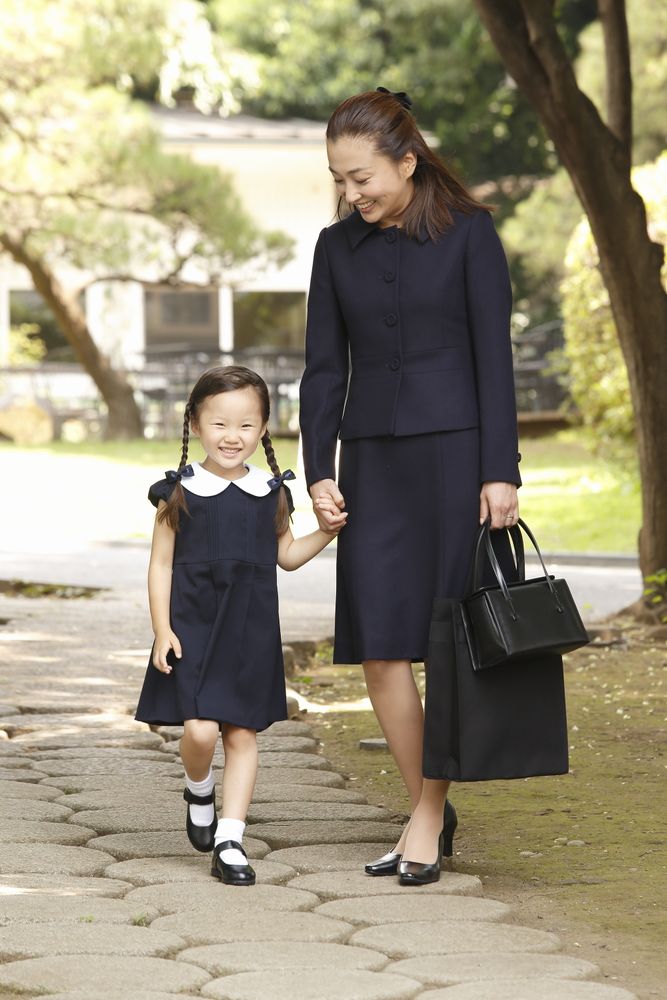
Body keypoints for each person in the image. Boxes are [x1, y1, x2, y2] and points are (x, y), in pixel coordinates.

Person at [299, 88, 521, 885]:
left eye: (362, 177)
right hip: (373, 464)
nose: (351, 193)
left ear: (406, 159)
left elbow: (492, 365)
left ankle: (425, 816)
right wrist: (317, 470)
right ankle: (427, 802)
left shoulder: (470, 237)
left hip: (458, 459)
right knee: (380, 647)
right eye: (339, 180)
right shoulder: (334, 250)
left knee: (449, 643)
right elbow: (323, 369)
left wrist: (502, 471)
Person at [135, 365, 344, 886]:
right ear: (195, 424)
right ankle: (198, 786)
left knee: (243, 733)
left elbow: (288, 556)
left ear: (266, 428)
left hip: (249, 632)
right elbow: (160, 564)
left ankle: (231, 839)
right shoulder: (177, 492)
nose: (233, 437)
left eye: (247, 425)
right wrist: (162, 629)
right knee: (201, 730)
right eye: (220, 424)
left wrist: (327, 532)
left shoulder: (272, 493)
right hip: (193, 627)